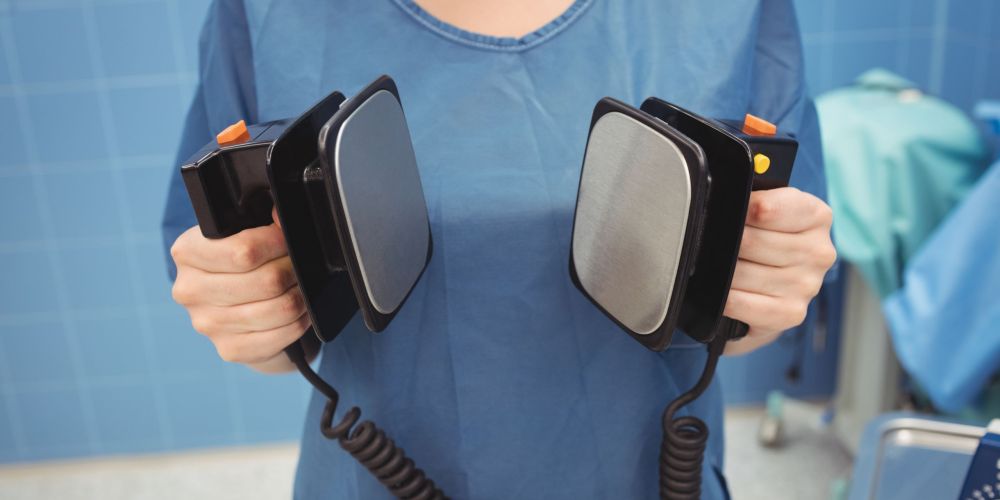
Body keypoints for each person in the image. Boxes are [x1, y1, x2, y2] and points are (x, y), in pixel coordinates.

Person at [163, 0, 836, 498]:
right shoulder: (268, 13)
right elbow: (259, 281)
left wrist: (765, 293)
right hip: (378, 471)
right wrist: (252, 311)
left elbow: (761, 289)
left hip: (644, 474)